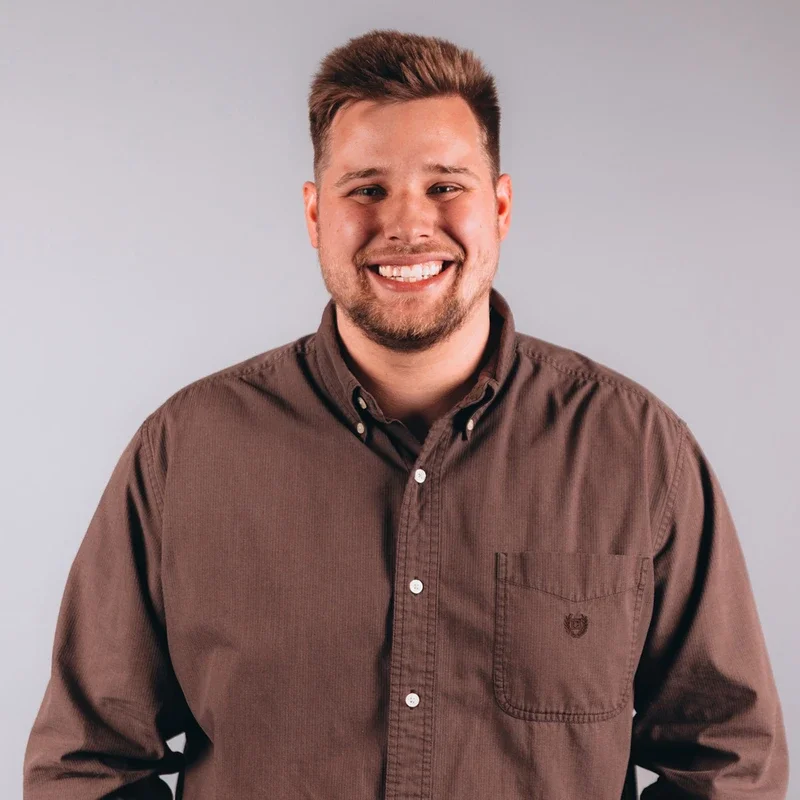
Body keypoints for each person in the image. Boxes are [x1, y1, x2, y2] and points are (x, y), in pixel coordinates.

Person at [23, 28, 788, 800]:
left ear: (500, 206)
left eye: (445, 185)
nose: (408, 225)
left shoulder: (637, 452)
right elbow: (86, 765)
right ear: (316, 214)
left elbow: (730, 762)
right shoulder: (184, 454)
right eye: (367, 189)